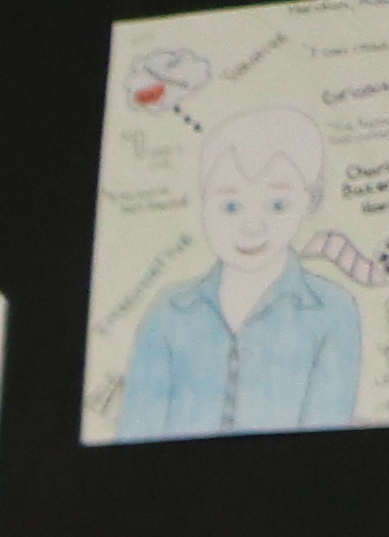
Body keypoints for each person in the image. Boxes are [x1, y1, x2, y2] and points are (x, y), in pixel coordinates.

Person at [117, 100, 361, 439]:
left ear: (311, 201)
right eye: (230, 205)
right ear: (203, 202)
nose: (251, 226)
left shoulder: (332, 311)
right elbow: (135, 434)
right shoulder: (168, 311)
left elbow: (329, 439)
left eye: (277, 205)